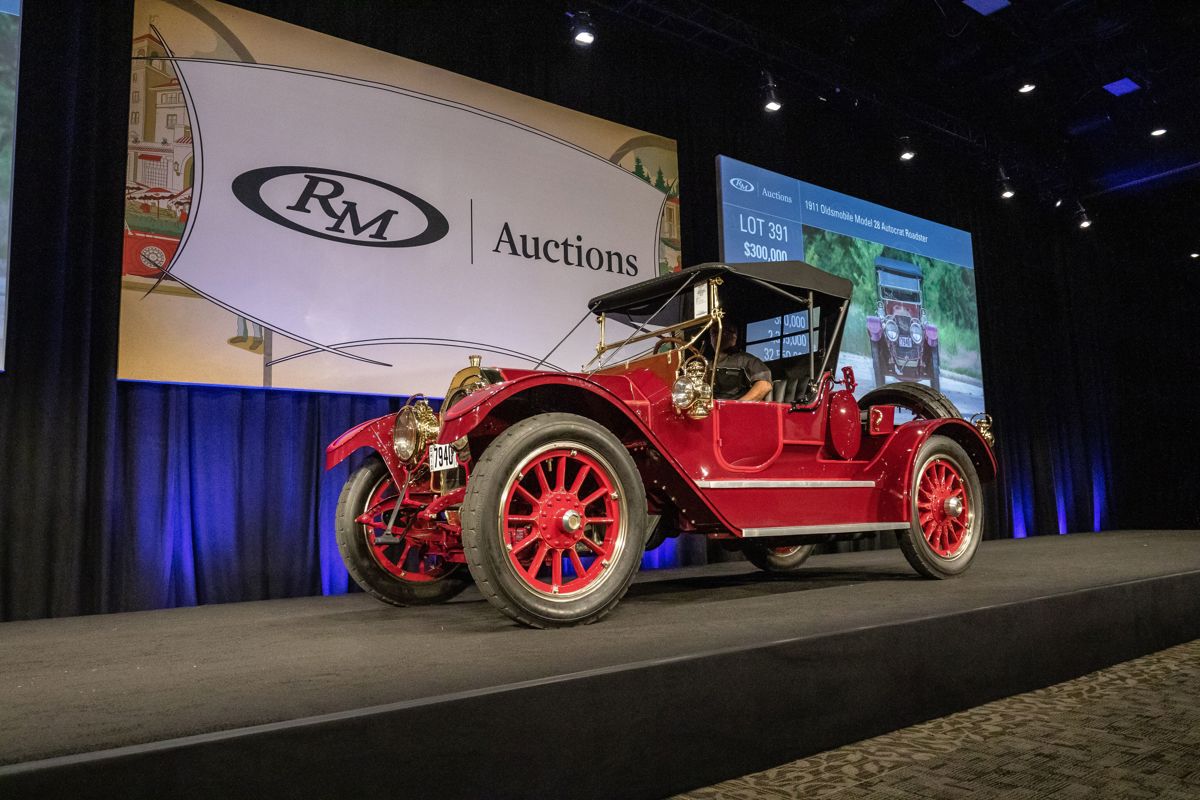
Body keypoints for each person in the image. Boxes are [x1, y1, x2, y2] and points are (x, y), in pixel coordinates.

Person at [712, 323, 773, 401]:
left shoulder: (747, 360)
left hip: (734, 409)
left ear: (734, 336)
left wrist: (737, 406)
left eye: (723, 332)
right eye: (714, 332)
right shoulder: (704, 362)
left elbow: (764, 385)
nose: (717, 336)